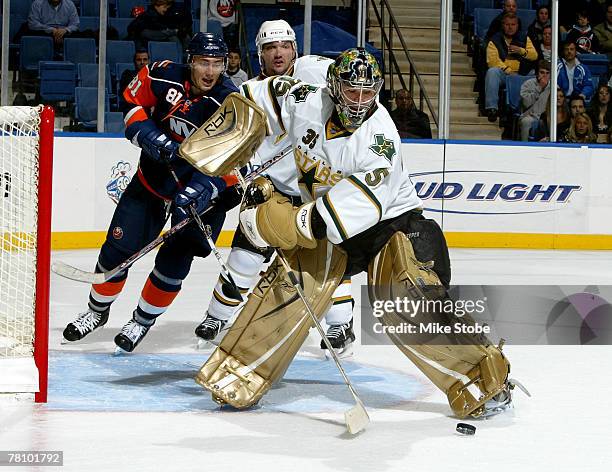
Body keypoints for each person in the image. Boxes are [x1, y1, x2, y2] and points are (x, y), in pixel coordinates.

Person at [205, 48, 516, 418]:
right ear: (334, 86)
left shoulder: (379, 140)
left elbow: (332, 221)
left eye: (368, 93)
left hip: (388, 228)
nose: (360, 101)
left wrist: (269, 222)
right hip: (327, 216)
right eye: (352, 91)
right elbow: (258, 98)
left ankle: (484, 379)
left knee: (406, 302)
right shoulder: (306, 99)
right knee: (289, 289)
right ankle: (237, 376)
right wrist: (220, 143)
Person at [62, 33, 240, 352]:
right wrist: (149, 137)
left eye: (216, 63)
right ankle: (96, 312)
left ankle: (142, 321)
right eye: (203, 62)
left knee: (173, 264)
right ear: (190, 61)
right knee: (116, 251)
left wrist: (205, 189)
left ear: (225, 65)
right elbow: (131, 105)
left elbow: (235, 163)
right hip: (151, 183)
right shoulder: (161, 73)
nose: (209, 71)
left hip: (200, 199)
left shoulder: (232, 103)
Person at [197, 20, 356, 357]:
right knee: (244, 256)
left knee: (328, 256)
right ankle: (217, 318)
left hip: (318, 189)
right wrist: (246, 177)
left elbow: (353, 86)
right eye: (270, 47)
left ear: (294, 48)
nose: (278, 52)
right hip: (272, 189)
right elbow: (235, 145)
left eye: (284, 45)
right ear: (261, 53)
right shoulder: (247, 94)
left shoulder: (316, 70)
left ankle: (340, 325)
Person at [484, 12, 538, 122]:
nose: (510, 27)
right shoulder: (494, 40)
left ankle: (532, 109)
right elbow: (493, 61)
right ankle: (492, 108)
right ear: (503, 25)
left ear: (517, 26)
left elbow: (534, 56)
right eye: (507, 24)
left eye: (513, 25)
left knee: (533, 73)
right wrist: (509, 71)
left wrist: (521, 51)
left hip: (522, 73)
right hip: (504, 74)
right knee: (492, 72)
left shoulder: (524, 38)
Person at [518, 60, 550, 141]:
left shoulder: (555, 87)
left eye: (547, 73)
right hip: (530, 116)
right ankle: (524, 147)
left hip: (547, 117)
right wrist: (539, 88)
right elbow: (526, 103)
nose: (545, 76)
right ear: (537, 73)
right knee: (526, 122)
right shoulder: (527, 84)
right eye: (542, 72)